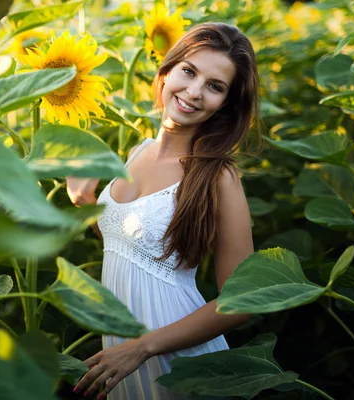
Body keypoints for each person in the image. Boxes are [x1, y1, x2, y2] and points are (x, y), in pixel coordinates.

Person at [66, 22, 260, 400]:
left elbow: (241, 301)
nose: (194, 92)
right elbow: (131, 246)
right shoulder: (138, 150)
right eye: (189, 72)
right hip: (122, 354)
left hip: (179, 362)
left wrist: (141, 347)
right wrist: (86, 204)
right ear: (167, 70)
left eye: (214, 86)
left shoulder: (218, 176)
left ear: (226, 104)